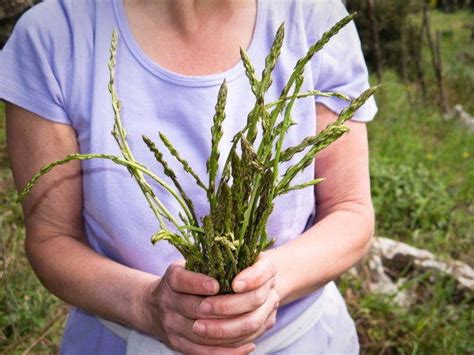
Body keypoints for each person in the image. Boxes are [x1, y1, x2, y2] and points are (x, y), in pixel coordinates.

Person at [0, 0, 377, 353]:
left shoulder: (313, 15)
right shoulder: (53, 35)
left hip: (302, 341)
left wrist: (270, 284)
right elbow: (52, 237)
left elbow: (350, 210)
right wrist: (146, 304)